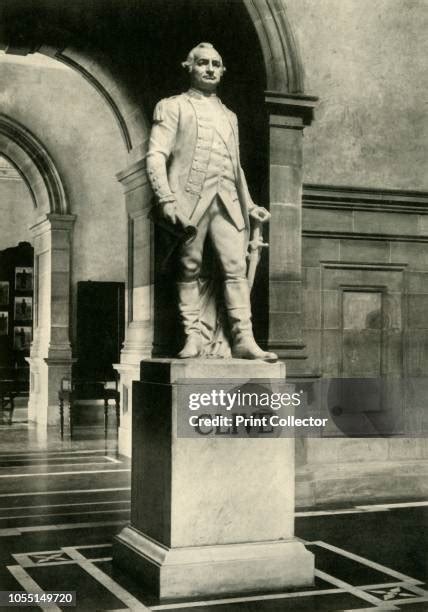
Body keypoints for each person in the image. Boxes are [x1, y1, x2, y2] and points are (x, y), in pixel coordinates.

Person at [146, 42, 277, 361]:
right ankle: (193, 336)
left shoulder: (230, 116)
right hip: (188, 202)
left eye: (216, 64)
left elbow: (235, 166)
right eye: (202, 63)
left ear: (223, 70)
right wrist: (165, 197)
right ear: (188, 67)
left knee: (235, 267)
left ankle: (244, 338)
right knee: (188, 268)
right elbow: (156, 155)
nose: (209, 68)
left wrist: (248, 204)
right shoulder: (173, 106)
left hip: (228, 202)